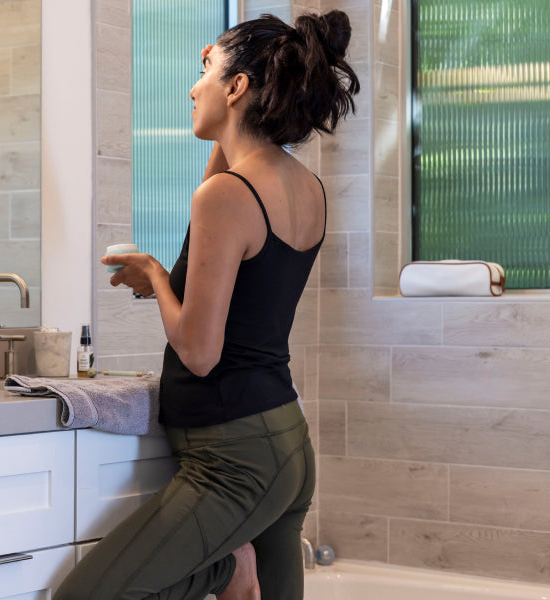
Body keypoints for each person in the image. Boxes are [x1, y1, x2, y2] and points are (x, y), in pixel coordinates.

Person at [55, 10, 359, 600]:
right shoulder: (303, 186)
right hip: (286, 441)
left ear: (237, 87)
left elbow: (197, 351)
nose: (193, 88)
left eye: (206, 70)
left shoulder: (225, 195)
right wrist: (225, 121)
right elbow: (225, 273)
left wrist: (153, 277)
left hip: (233, 456)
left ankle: (227, 569)